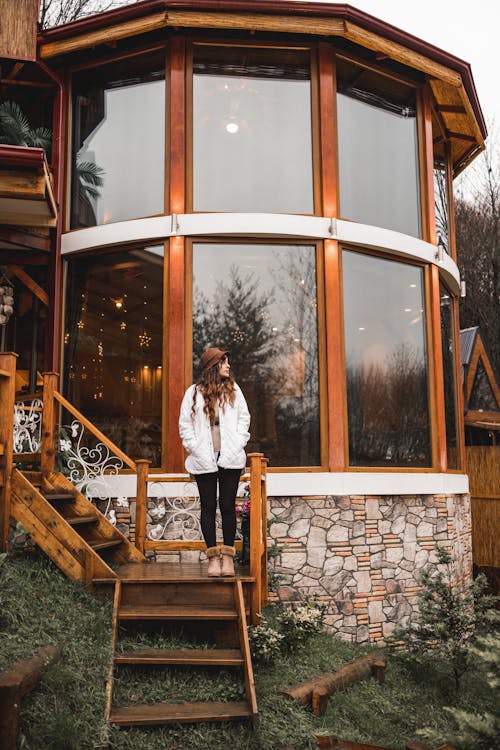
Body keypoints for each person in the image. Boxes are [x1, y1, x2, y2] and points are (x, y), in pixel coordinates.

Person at [178, 348, 250, 577]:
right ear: (213, 366)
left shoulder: (235, 391)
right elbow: (185, 425)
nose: (228, 366)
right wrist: (194, 447)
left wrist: (238, 443)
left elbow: (244, 419)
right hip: (204, 459)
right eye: (224, 362)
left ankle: (228, 558)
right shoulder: (193, 393)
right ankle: (212, 558)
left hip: (230, 457)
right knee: (208, 507)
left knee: (228, 507)